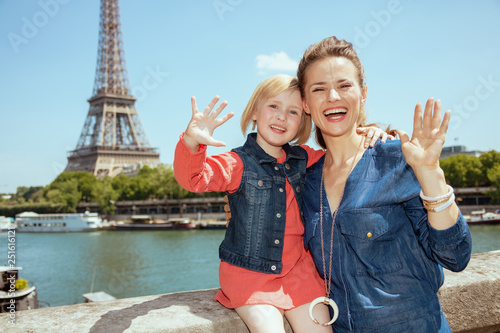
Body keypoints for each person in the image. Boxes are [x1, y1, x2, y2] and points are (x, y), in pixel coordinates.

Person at [173, 74, 390, 333]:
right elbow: (194, 179)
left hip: (300, 271)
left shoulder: (307, 158)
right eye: (273, 106)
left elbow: (348, 155)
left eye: (293, 111)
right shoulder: (237, 163)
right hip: (250, 273)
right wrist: (191, 141)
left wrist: (373, 132)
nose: (282, 116)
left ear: (302, 122)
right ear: (254, 111)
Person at [297, 36, 472, 332]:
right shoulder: (305, 182)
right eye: (319, 89)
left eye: (344, 85)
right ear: (305, 103)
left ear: (363, 94)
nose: (333, 97)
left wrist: (430, 172)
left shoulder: (398, 159)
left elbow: (455, 256)